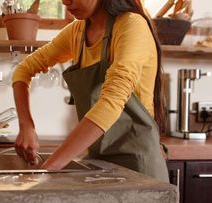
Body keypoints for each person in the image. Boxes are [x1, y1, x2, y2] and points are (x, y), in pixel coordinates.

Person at [12, 0, 169, 182]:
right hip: (99, 165)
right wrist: (26, 126)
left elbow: (111, 102)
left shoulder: (132, 25)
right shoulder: (76, 32)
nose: (65, 2)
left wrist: (49, 168)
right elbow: (24, 70)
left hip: (139, 168)